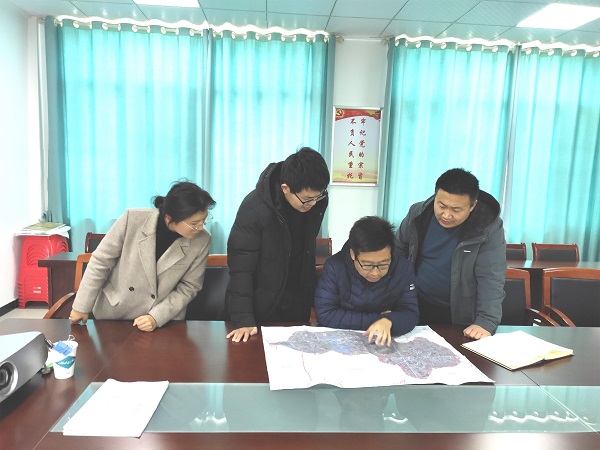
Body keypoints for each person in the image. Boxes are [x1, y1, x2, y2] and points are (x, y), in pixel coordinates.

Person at [69, 181, 216, 332]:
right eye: (194, 223)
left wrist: (156, 317)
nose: (200, 227)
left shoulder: (202, 240)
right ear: (169, 218)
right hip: (115, 311)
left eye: (204, 220)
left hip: (162, 318)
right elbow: (100, 262)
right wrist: (81, 306)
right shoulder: (132, 219)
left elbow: (189, 287)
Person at [226, 147, 330, 343]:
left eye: (319, 196)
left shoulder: (315, 200)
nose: (313, 204)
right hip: (261, 305)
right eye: (307, 199)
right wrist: (243, 318)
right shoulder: (254, 208)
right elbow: (241, 269)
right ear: (285, 188)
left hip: (297, 300)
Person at [397, 168, 506, 340]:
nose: (446, 215)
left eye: (456, 210)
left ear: (472, 206)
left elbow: (491, 276)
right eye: (441, 206)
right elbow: (398, 252)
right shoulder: (419, 213)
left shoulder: (488, 227)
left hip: (458, 314)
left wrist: (486, 321)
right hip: (415, 304)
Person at [314, 216, 419, 346]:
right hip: (343, 342)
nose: (375, 273)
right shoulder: (334, 267)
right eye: (368, 265)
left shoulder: (404, 268)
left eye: (383, 264)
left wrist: (390, 322)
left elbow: (410, 312)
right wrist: (381, 319)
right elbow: (326, 313)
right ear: (353, 254)